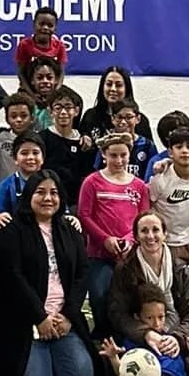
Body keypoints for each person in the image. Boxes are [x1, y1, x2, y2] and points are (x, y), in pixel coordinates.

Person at [0, 173, 97, 376]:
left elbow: (83, 273)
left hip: (62, 321)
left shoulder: (70, 229)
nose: (48, 198)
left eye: (54, 193)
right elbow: (12, 278)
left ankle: (54, 360)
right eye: (40, 192)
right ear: (28, 195)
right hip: (27, 323)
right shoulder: (11, 231)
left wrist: (68, 316)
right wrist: (40, 317)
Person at [76, 131, 149, 326]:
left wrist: (129, 239)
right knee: (100, 295)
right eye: (113, 155)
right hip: (99, 254)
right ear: (104, 155)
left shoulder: (139, 186)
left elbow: (143, 219)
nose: (119, 160)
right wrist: (105, 239)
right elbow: (84, 215)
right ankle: (102, 333)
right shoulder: (92, 182)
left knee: (130, 297)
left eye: (123, 155)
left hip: (129, 253)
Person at [107, 211, 189, 351]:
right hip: (141, 337)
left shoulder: (180, 268)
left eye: (156, 230)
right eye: (144, 231)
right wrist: (146, 334)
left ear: (165, 234)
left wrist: (177, 337)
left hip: (178, 336)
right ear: (136, 236)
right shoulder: (125, 269)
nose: (150, 236)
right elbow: (118, 313)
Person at [145, 126, 189, 262]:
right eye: (179, 147)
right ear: (170, 152)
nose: (184, 151)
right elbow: (150, 210)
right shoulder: (159, 180)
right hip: (163, 243)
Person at [82, 66, 154, 147]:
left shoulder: (139, 120)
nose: (113, 89)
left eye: (118, 85)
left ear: (126, 88)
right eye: (109, 84)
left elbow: (149, 153)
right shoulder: (90, 116)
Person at [0, 133, 47, 227]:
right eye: (24, 153)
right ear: (15, 159)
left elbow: (62, 210)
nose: (30, 157)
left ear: (43, 158)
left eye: (35, 153)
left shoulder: (51, 183)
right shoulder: (7, 184)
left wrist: (69, 217)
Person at [0, 92, 40, 184]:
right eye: (13, 116)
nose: (18, 120)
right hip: (2, 191)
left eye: (24, 116)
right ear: (7, 119)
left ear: (32, 118)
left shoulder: (39, 140)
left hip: (29, 191)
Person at [14, 7, 68, 83]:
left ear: (55, 28)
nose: (45, 28)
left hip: (51, 88)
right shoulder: (24, 45)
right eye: (41, 24)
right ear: (34, 24)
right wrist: (32, 94)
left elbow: (61, 73)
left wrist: (56, 90)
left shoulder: (60, 46)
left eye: (50, 25)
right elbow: (21, 73)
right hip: (29, 88)